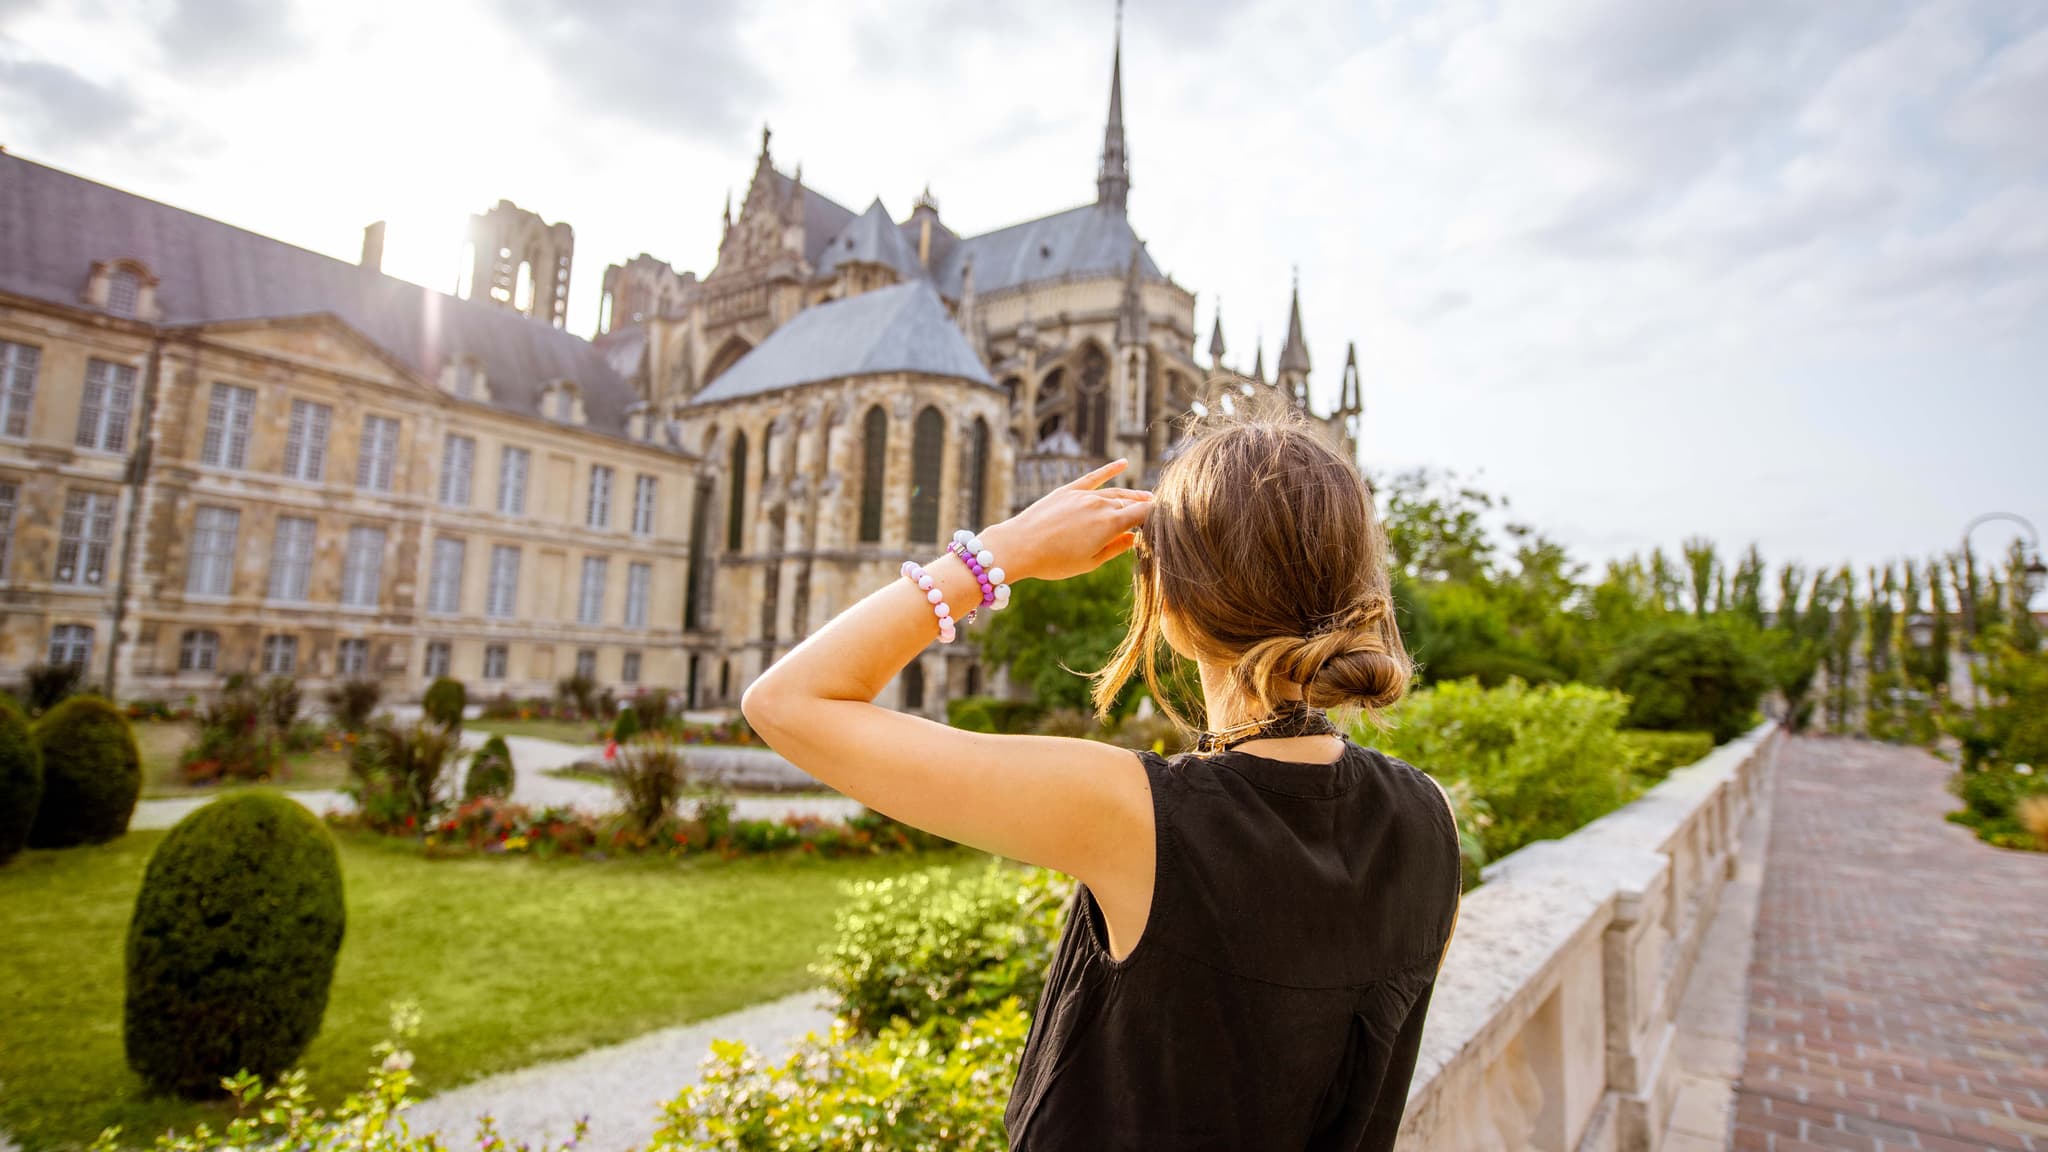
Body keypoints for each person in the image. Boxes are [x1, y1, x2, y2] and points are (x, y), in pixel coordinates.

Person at [742, 408, 1463, 1151]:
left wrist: (996, 553)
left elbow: (785, 703)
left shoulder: (1140, 816)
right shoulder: (1430, 818)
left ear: (1174, 606)